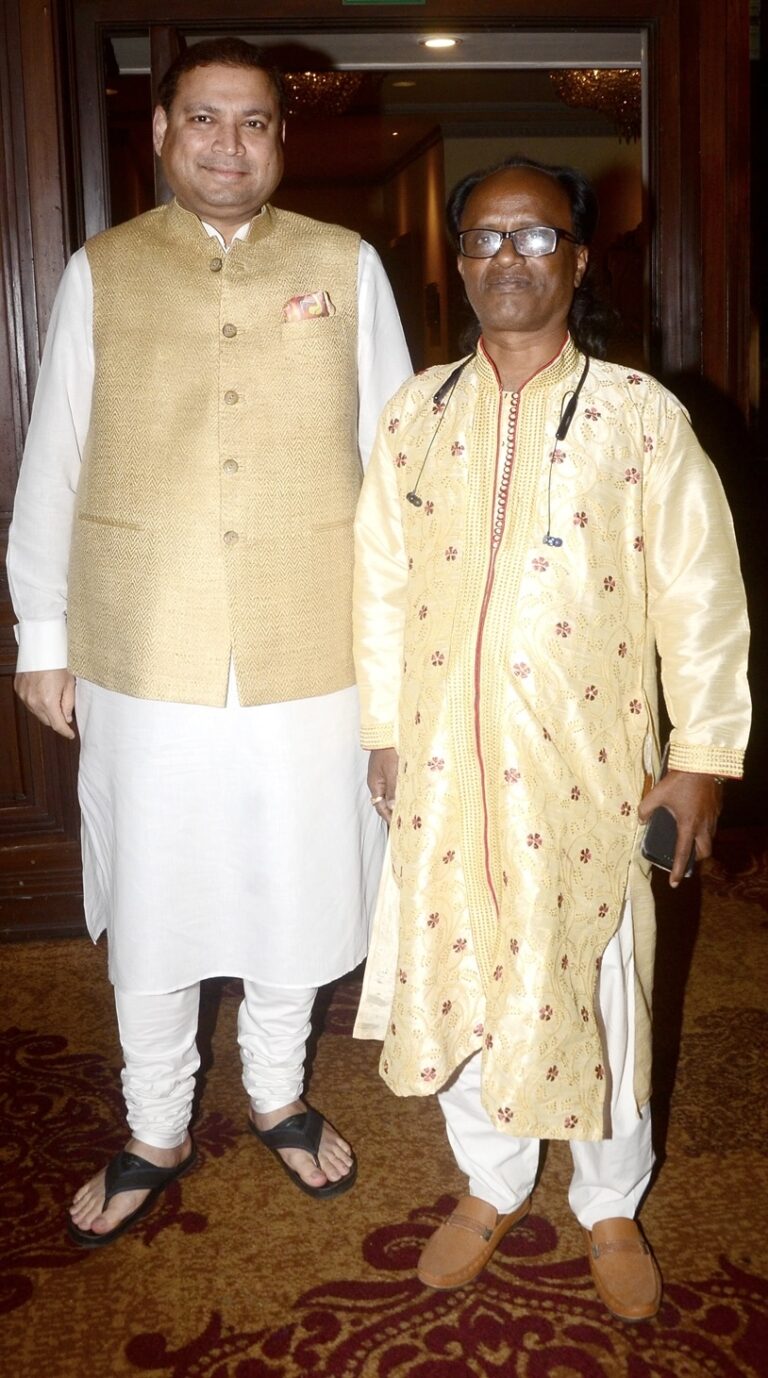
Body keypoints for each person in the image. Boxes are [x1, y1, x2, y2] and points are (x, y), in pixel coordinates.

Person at [7, 37, 411, 1247]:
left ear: (281, 140)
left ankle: (279, 1090)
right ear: (163, 134)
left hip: (312, 643)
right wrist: (41, 632)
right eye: (204, 121)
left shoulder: (345, 264)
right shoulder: (101, 272)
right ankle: (155, 1122)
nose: (228, 145)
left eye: (253, 124)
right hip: (145, 643)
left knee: (302, 876)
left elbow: (397, 471)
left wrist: (407, 650)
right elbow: (52, 466)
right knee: (156, 886)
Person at [352, 155, 750, 1321]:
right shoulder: (416, 412)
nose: (506, 260)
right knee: (462, 962)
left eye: (533, 238)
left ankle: (611, 1196)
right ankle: (489, 1179)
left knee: (598, 982)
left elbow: (701, 596)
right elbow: (377, 583)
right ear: (458, 262)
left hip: (590, 771)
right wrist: (384, 728)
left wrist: (704, 757)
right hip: (443, 762)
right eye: (483, 239)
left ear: (576, 261)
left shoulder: (637, 415)